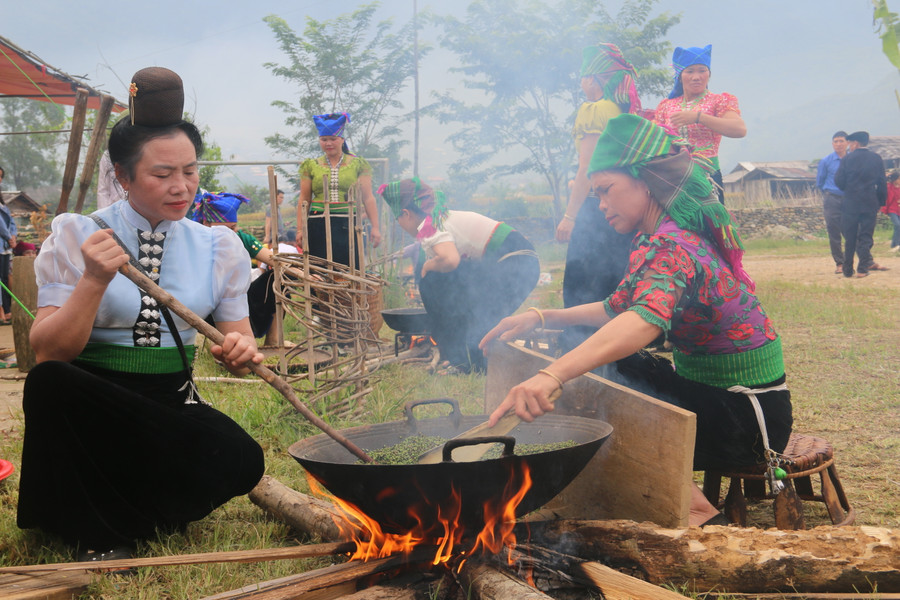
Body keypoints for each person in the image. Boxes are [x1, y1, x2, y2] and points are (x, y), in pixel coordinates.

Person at [480, 114, 792, 527]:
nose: (602, 205)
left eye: (607, 191)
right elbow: (617, 307)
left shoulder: (673, 243)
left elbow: (642, 321)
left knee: (601, 386)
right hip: (722, 400)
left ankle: (697, 510)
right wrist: (541, 317)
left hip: (747, 420)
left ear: (645, 182)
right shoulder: (655, 237)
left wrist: (550, 376)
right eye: (596, 195)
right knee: (593, 358)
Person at [16, 67, 265, 562]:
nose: (182, 187)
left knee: (243, 457)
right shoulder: (77, 236)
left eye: (190, 171)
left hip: (167, 405)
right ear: (123, 176)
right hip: (90, 407)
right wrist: (93, 280)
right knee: (49, 384)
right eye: (162, 174)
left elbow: (240, 342)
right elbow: (48, 352)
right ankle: (104, 531)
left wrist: (240, 350)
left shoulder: (220, 246)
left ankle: (126, 507)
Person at [380, 177, 540, 374]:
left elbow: (450, 260)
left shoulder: (430, 225)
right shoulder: (442, 218)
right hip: (518, 263)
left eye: (398, 220)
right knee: (470, 306)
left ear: (406, 214)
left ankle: (470, 364)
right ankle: (465, 361)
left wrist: (428, 266)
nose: (400, 224)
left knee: (435, 285)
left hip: (514, 263)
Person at [558, 43, 641, 354]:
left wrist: (570, 216)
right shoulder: (619, 109)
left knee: (583, 274)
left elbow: (587, 167)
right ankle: (616, 343)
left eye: (582, 76)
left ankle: (578, 343)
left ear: (591, 79)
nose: (581, 83)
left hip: (597, 207)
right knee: (614, 273)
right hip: (623, 204)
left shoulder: (595, 109)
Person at [191, 189, 300, 346]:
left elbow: (276, 261)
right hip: (207, 300)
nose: (233, 232)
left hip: (241, 297)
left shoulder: (241, 238)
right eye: (227, 229)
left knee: (277, 278)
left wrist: (306, 275)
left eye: (234, 227)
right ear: (207, 224)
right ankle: (216, 343)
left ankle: (273, 340)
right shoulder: (194, 240)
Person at [653, 45, 746, 204]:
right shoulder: (666, 106)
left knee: (708, 225)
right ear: (680, 75)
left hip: (707, 177)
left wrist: (698, 117)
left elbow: (739, 129)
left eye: (702, 70)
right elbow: (654, 139)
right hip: (673, 179)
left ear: (709, 74)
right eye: (690, 71)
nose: (696, 76)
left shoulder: (719, 101)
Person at [296, 113, 381, 268]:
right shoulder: (310, 165)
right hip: (317, 223)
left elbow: (368, 198)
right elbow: (304, 199)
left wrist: (375, 227)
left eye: (333, 139)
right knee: (319, 270)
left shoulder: (358, 164)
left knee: (349, 270)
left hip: (348, 223)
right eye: (324, 139)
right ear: (319, 141)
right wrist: (300, 229)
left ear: (342, 139)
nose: (329, 143)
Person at [835, 131, 889, 278]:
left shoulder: (847, 159)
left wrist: (849, 189)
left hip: (850, 202)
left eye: (850, 144)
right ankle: (862, 269)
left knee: (850, 236)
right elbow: (882, 183)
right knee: (866, 236)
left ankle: (847, 270)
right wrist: (880, 202)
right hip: (869, 202)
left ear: (856, 144)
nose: (849, 147)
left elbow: (838, 180)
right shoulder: (876, 158)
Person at [816, 131, 848, 274]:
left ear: (847, 143)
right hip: (832, 198)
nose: (839, 144)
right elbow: (820, 182)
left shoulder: (852, 160)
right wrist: (830, 194)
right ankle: (839, 263)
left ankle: (849, 261)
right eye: (836, 141)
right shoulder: (826, 161)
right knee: (834, 232)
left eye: (841, 141)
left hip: (850, 199)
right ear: (832, 144)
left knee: (851, 231)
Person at [0, 165, 17, 325]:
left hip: (4, 248)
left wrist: (13, 236)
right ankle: (2, 313)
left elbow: (11, 221)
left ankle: (7, 310)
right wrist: (8, 236)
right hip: (4, 243)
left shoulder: (2, 202)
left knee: (5, 279)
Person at [883, 171, 900, 252]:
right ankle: (897, 244)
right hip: (892, 209)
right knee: (897, 225)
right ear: (895, 179)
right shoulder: (889, 187)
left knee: (898, 226)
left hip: (899, 209)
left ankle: (893, 244)